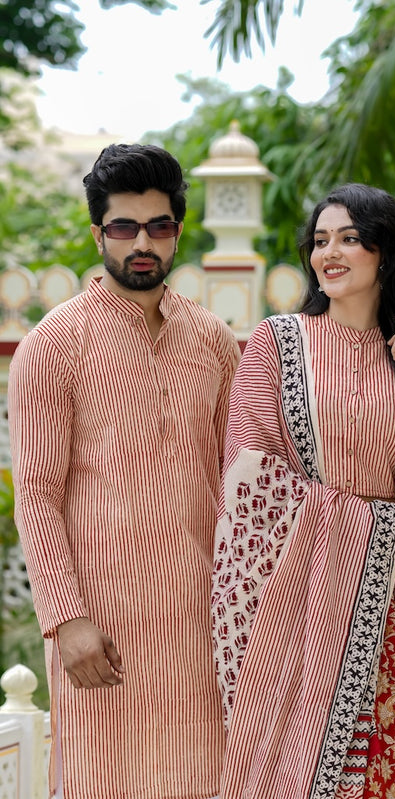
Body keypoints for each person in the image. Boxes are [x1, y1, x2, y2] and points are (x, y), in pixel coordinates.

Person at [212, 183, 395, 798]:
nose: (329, 253)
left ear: (386, 252)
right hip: (300, 600)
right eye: (320, 240)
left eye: (350, 238)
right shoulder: (276, 345)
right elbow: (251, 481)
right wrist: (382, 524)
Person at [8, 143, 241, 799]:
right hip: (101, 635)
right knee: (99, 782)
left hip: (202, 629)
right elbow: (37, 494)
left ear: (177, 231)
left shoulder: (214, 341)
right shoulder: (54, 345)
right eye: (124, 226)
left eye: (158, 226)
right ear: (97, 232)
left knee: (205, 782)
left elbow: (238, 487)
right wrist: (66, 618)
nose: (143, 242)